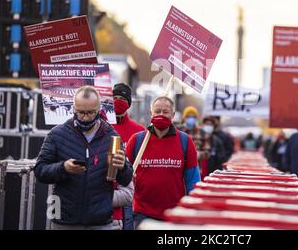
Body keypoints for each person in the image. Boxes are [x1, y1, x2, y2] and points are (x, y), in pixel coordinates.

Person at [34, 85, 133, 230]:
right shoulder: (57, 134)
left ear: (99, 110)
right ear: (73, 108)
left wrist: (122, 166)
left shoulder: (112, 136)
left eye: (90, 113)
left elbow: (126, 179)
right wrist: (63, 168)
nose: (85, 117)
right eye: (80, 112)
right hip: (65, 219)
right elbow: (40, 170)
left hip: (100, 221)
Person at [126, 96, 200, 229]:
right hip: (142, 213)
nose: (161, 115)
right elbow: (123, 177)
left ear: (173, 114)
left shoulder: (185, 141)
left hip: (175, 213)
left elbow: (193, 180)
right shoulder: (137, 141)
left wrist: (193, 209)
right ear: (151, 114)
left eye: (165, 112)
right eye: (157, 111)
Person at [111, 83, 145, 230]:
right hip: (109, 193)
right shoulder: (102, 127)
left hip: (130, 194)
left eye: (122, 99)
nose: (118, 101)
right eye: (115, 97)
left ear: (129, 103)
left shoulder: (139, 131)